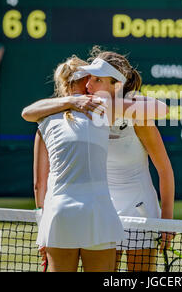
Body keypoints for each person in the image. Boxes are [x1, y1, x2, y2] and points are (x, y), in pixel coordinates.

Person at [22, 48, 174, 272]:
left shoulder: (135, 113)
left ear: (116, 86)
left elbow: (165, 169)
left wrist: (167, 221)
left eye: (97, 79)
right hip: (105, 211)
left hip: (139, 210)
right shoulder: (84, 110)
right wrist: (71, 103)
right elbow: (29, 112)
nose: (89, 85)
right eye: (89, 78)